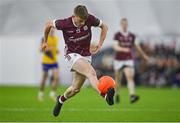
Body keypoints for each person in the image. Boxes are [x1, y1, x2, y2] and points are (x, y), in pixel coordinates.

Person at [41, 5, 113, 117]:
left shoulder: (89, 19)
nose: (83, 23)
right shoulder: (64, 23)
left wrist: (100, 44)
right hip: (72, 54)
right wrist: (45, 41)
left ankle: (60, 100)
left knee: (75, 89)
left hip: (86, 56)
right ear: (74, 16)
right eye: (80, 21)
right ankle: (105, 96)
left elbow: (105, 26)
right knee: (91, 73)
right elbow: (48, 24)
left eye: (84, 21)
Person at [113, 18, 150, 103]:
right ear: (121, 24)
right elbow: (115, 47)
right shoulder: (117, 35)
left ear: (127, 24)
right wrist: (123, 49)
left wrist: (144, 56)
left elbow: (137, 47)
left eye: (126, 24)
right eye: (123, 24)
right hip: (118, 60)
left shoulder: (132, 36)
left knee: (130, 77)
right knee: (118, 79)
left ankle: (132, 95)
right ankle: (117, 94)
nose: (124, 25)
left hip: (128, 59)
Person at [38, 28, 60, 101]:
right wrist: (49, 48)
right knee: (44, 77)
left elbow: (55, 49)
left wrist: (56, 51)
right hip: (46, 62)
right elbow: (41, 49)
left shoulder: (56, 38)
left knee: (56, 77)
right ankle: (41, 93)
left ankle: (52, 93)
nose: (52, 31)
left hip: (54, 61)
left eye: (53, 30)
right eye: (51, 30)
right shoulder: (44, 38)